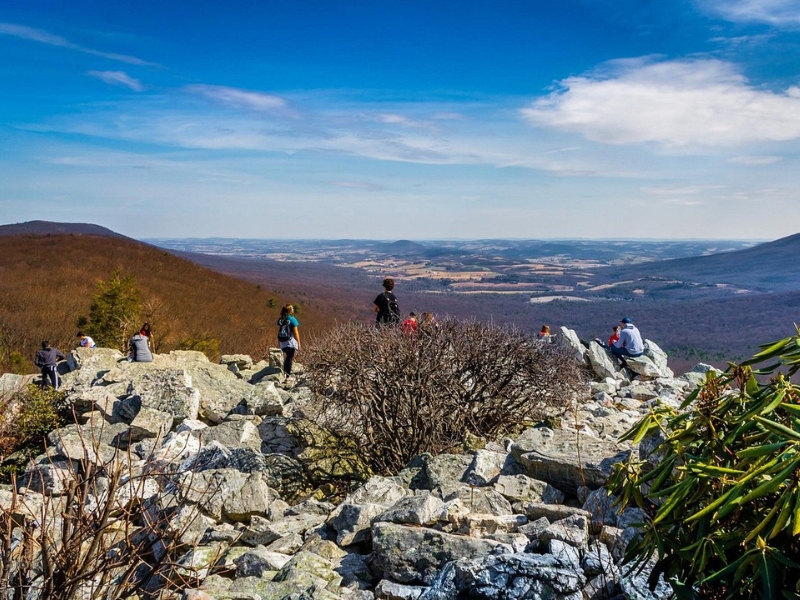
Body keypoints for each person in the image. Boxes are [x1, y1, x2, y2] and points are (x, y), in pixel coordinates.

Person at [277, 304, 301, 382]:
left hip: (282, 342)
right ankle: (287, 375)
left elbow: (280, 329)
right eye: (292, 308)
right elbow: (296, 332)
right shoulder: (292, 319)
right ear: (290, 310)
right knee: (289, 358)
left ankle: (285, 373)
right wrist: (299, 342)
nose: (293, 309)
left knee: (286, 358)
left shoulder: (281, 319)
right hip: (290, 341)